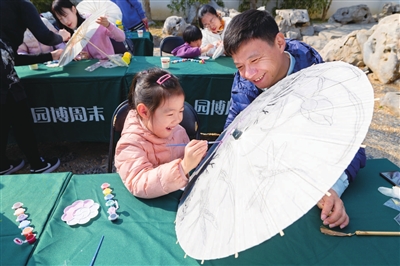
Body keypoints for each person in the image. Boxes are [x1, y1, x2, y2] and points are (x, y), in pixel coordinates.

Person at [223, 9, 366, 229]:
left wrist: (333, 188)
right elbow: (232, 136)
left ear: (280, 43)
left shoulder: (318, 78)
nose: (249, 74)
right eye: (240, 66)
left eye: (255, 59)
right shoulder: (245, 86)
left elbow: (353, 142)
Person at [1, 0, 71, 175]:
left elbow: (13, 57)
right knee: (19, 114)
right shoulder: (21, 4)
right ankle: (37, 163)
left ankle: (2, 164)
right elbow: (45, 36)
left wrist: (48, 55)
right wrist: (61, 36)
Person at [114, 68, 208, 198]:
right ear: (144, 112)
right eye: (170, 114)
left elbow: (189, 161)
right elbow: (139, 183)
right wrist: (183, 167)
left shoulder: (177, 130)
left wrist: (199, 156)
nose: (178, 119)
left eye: (181, 111)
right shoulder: (130, 143)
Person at [51, 0, 125, 60]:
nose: (65, 21)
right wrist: (81, 57)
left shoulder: (95, 21)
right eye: (61, 19)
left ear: (73, 10)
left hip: (108, 65)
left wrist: (108, 25)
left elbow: (121, 38)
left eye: (65, 16)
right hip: (89, 71)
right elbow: (71, 56)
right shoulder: (67, 34)